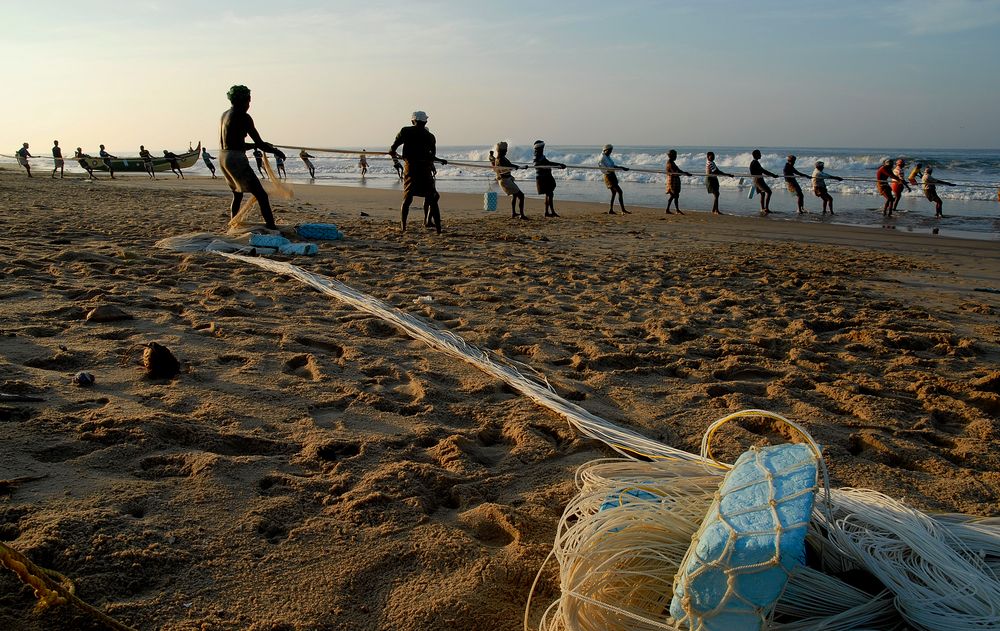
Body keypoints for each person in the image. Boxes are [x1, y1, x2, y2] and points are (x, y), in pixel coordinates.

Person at [218, 84, 285, 229]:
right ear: (245, 100)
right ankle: (271, 227)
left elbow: (235, 143)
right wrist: (275, 151)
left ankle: (233, 225)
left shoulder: (225, 115)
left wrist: (256, 146)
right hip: (235, 159)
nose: (249, 104)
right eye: (249, 101)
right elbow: (260, 144)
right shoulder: (244, 116)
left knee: (237, 194)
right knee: (261, 195)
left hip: (223, 157)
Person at [389, 110, 447, 234]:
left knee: (407, 199)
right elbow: (431, 156)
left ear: (412, 120)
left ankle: (403, 227)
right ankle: (438, 230)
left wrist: (395, 155)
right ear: (425, 121)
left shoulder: (405, 131)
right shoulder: (430, 136)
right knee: (432, 199)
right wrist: (440, 160)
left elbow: (393, 148)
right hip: (425, 171)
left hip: (411, 170)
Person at [532, 140, 566, 218]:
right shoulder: (537, 156)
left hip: (545, 177)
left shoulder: (539, 155)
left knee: (549, 194)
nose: (543, 148)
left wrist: (558, 165)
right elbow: (546, 164)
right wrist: (559, 165)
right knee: (550, 194)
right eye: (542, 146)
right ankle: (551, 212)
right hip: (543, 178)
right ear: (539, 147)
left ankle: (547, 212)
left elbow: (548, 163)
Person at [493, 141, 526, 219]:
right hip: (505, 181)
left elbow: (509, 166)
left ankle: (514, 213)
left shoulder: (501, 158)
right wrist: (519, 167)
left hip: (506, 179)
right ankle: (522, 215)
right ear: (501, 150)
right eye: (505, 150)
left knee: (515, 195)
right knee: (521, 196)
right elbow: (509, 166)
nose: (506, 151)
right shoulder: (500, 159)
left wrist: (518, 167)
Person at [600, 144, 630, 214]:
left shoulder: (607, 157)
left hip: (612, 175)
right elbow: (606, 169)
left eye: (611, 151)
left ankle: (611, 210)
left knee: (614, 193)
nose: (610, 152)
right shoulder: (602, 158)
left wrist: (622, 167)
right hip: (608, 176)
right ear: (605, 150)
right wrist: (621, 168)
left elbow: (612, 166)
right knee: (620, 192)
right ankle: (623, 210)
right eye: (609, 150)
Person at [749, 149, 777, 215]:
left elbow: (757, 171)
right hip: (758, 180)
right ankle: (766, 208)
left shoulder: (754, 162)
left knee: (763, 193)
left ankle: (762, 208)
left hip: (756, 179)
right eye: (759, 154)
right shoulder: (755, 162)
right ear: (756, 155)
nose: (760, 155)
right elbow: (763, 171)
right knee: (769, 192)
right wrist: (773, 175)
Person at [665, 149, 691, 215]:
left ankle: (668, 209)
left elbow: (678, 170)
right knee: (675, 195)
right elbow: (675, 172)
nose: (676, 157)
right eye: (675, 155)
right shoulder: (670, 163)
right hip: (672, 181)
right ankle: (677, 210)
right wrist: (684, 173)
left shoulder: (672, 162)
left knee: (673, 195)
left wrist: (685, 173)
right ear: (671, 156)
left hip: (674, 180)